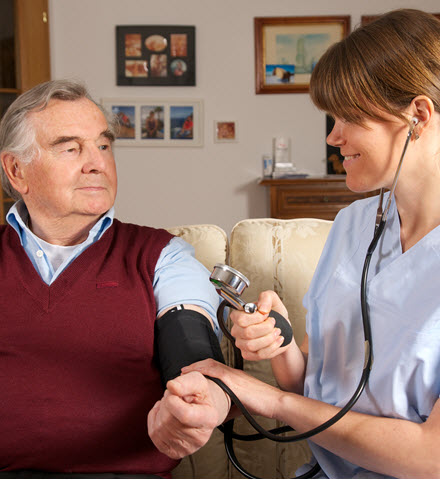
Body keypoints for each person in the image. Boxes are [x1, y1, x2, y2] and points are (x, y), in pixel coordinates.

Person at [148, 9, 440, 478]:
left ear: (417, 116)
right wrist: (281, 343)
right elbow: (313, 386)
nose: (333, 135)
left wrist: (272, 400)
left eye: (349, 117)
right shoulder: (352, 226)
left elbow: (432, 456)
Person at [0, 79, 229, 477]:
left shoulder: (161, 256)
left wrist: (200, 402)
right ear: (17, 171)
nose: (97, 163)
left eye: (103, 145)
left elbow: (192, 346)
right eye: (70, 148)